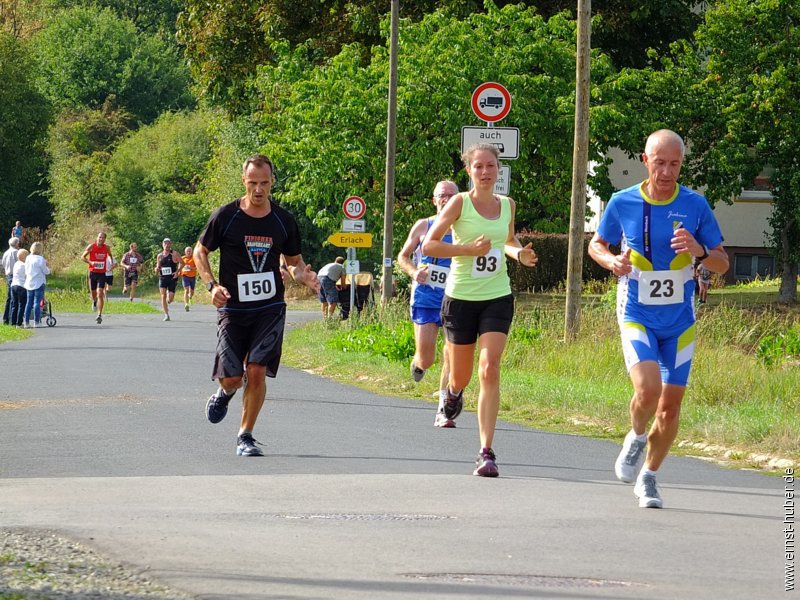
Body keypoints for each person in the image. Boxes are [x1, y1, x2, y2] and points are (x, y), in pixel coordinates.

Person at [588, 129, 728, 509]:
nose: (667, 172)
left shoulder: (696, 206)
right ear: (644, 160)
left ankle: (649, 477)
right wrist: (611, 261)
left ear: (681, 164)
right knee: (648, 390)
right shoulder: (623, 202)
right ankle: (635, 436)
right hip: (636, 312)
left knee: (670, 406)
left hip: (680, 321)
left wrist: (699, 252)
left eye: (675, 164)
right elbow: (596, 243)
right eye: (660, 162)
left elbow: (722, 262)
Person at [421, 144, 537, 476]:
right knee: (462, 375)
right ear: (469, 171)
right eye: (478, 167)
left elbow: (508, 242)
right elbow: (429, 245)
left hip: (497, 296)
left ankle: (486, 452)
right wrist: (467, 250)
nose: (485, 172)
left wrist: (520, 256)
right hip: (460, 299)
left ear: (498, 169)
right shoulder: (459, 203)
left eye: (491, 166)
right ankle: (454, 393)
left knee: (489, 368)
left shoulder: (507, 205)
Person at [194, 153, 320, 457]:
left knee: (258, 369)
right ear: (244, 181)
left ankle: (245, 435)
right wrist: (212, 286)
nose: (259, 189)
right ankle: (225, 392)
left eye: (264, 183)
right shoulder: (226, 216)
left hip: (270, 308)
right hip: (234, 309)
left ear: (272, 182)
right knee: (234, 376)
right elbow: (200, 251)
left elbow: (294, 262)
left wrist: (304, 277)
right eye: (253, 183)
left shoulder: (283, 220)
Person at [398, 179, 459, 427]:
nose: (445, 199)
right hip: (425, 295)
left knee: (452, 353)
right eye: (441, 195)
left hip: (455, 296)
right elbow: (403, 256)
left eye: (451, 195)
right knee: (428, 357)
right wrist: (414, 272)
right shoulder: (423, 226)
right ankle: (418, 363)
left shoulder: (464, 229)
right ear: (434, 200)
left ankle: (443, 410)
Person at [81, 232, 112, 324]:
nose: (101, 239)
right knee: (94, 294)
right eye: (99, 237)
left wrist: (111, 262)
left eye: (102, 238)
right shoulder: (91, 246)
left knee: (100, 293)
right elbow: (82, 257)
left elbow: (110, 255)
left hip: (102, 274)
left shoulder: (106, 247)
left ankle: (99, 315)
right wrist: (91, 262)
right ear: (97, 238)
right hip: (93, 273)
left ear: (105, 239)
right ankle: (94, 301)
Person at [23, 241, 50, 328]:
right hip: (39, 282)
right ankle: (36, 321)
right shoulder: (41, 259)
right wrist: (49, 268)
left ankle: (26, 322)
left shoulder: (28, 258)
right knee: (37, 302)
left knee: (28, 302)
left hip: (29, 281)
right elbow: (45, 271)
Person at [155, 238, 181, 322]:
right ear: (162, 244)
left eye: (168, 243)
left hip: (172, 278)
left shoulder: (174, 254)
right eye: (165, 243)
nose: (166, 245)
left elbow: (182, 263)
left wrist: (177, 271)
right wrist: (156, 269)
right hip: (163, 278)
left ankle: (169, 298)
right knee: (163, 295)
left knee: (170, 299)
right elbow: (158, 266)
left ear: (170, 244)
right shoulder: (160, 256)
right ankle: (166, 315)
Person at [3, 237, 20, 325]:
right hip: (15, 276)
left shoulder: (6, 253)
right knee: (14, 298)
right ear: (16, 244)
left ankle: (6, 318)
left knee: (9, 297)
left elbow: (3, 263)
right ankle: (12, 319)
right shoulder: (16, 253)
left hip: (8, 275)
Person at [9, 248, 29, 327]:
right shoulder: (25, 265)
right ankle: (19, 323)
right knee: (22, 304)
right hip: (21, 286)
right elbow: (26, 275)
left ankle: (13, 322)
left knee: (14, 304)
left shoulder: (16, 264)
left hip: (13, 285)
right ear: (24, 257)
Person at [180, 246, 197, 311]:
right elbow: (179, 266)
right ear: (185, 252)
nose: (189, 252)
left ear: (192, 252)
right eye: (187, 251)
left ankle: (190, 297)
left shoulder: (194, 258)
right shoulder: (182, 258)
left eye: (190, 251)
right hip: (185, 276)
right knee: (186, 290)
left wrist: (191, 268)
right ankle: (186, 304)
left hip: (192, 276)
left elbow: (196, 268)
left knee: (192, 292)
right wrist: (178, 272)